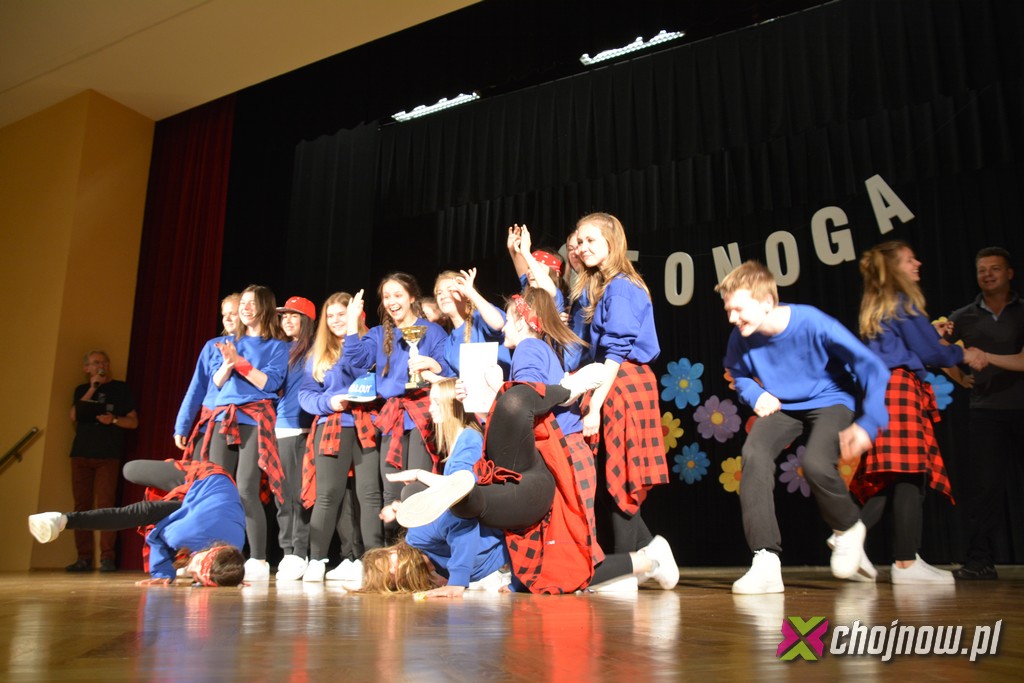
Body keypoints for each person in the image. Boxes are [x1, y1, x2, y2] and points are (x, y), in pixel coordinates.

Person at [380, 378, 678, 596]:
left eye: (436, 402)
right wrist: (516, 581)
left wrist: (459, 580)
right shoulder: (439, 567)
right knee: (563, 574)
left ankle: (566, 390)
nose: (429, 409)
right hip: (521, 519)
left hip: (519, 490)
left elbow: (465, 528)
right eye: (392, 577)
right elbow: (498, 551)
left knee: (513, 402)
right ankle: (649, 562)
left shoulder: (422, 535)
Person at [716, 260, 890, 594]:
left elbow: (871, 366)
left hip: (831, 399)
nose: (732, 318)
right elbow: (737, 374)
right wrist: (756, 393)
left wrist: (868, 423)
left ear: (767, 302)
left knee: (815, 464)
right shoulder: (740, 338)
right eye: (728, 310)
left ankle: (849, 528)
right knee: (754, 454)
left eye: (738, 309)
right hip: (784, 405)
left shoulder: (811, 322)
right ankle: (766, 560)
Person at [851, 242, 985, 584]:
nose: (918, 263)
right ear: (895, 268)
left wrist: (931, 337)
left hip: (883, 391)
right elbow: (930, 352)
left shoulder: (880, 306)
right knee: (909, 474)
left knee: (898, 475)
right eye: (910, 260)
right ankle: (903, 563)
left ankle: (862, 542)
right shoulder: (902, 302)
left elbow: (909, 344)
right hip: (899, 391)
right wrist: (962, 354)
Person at [570, 212, 667, 555]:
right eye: (579, 241)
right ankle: (652, 554)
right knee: (608, 476)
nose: (582, 247)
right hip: (611, 380)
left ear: (611, 242)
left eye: (590, 240)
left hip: (622, 382)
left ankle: (628, 566)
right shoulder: (602, 287)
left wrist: (595, 405)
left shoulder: (622, 287)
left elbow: (616, 351)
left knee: (619, 475)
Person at [182, 285, 290, 581]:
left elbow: (269, 383)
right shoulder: (223, 343)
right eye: (243, 303)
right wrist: (228, 364)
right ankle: (212, 555)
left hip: (254, 418)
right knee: (216, 488)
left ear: (265, 308)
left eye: (252, 303)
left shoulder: (277, 346)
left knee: (245, 488)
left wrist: (240, 363)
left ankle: (258, 558)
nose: (245, 308)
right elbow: (212, 384)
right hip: (222, 418)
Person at [343, 274, 452, 523]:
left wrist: (432, 364)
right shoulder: (379, 334)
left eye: (398, 295)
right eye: (387, 296)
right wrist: (351, 323)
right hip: (393, 415)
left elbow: (447, 370)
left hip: (424, 413)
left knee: (416, 488)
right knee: (390, 489)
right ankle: (392, 545)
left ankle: (417, 544)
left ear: (412, 297)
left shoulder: (433, 331)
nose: (392, 301)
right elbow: (357, 359)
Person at [29, 460, 245, 587]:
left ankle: (61, 520)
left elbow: (224, 569)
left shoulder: (234, 548)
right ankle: (62, 519)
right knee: (133, 482)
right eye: (196, 573)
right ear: (208, 556)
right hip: (201, 479)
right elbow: (155, 535)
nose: (193, 575)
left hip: (203, 504)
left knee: (151, 513)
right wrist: (162, 573)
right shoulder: (185, 534)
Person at [947, 247, 1024, 580]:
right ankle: (980, 561)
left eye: (995, 268)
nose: (988, 274)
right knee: (985, 488)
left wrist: (984, 356)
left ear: (1010, 273)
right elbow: (939, 348)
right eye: (982, 270)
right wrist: (959, 375)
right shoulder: (963, 315)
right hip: (986, 412)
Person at [298, 292, 383, 582]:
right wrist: (328, 402)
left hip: (367, 424)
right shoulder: (318, 352)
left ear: (356, 314)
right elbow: (305, 394)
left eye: (342, 314)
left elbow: (376, 377)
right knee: (328, 495)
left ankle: (372, 561)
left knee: (369, 494)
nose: (335, 320)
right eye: (330, 316)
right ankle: (317, 560)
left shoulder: (370, 342)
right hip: (333, 424)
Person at [67, 351, 139, 572]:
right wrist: (93, 388)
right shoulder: (82, 390)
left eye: (105, 362)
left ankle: (107, 558)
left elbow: (133, 422)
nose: (102, 366)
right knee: (81, 507)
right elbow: (74, 415)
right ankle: (84, 558)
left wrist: (114, 419)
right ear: (86, 368)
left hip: (107, 455)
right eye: (96, 363)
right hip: (81, 454)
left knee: (106, 505)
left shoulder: (120, 389)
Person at [273, 296, 317, 581]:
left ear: (307, 320)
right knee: (283, 495)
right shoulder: (279, 349)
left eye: (294, 315)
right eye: (284, 316)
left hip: (305, 428)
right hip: (281, 427)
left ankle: (300, 552)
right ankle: (287, 550)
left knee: (301, 494)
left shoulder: (315, 349)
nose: (287, 320)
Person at [173, 294, 241, 452]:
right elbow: (197, 387)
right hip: (209, 420)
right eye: (224, 314)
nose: (227, 319)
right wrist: (182, 426)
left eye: (233, 314)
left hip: (239, 422)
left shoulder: (257, 346)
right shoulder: (212, 346)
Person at [433, 267, 511, 377]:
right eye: (439, 293)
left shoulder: (480, 317)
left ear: (467, 295)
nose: (443, 296)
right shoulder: (449, 343)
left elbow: (498, 324)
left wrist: (471, 293)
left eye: (451, 290)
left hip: (501, 387)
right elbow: (454, 379)